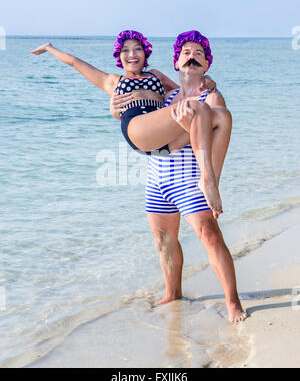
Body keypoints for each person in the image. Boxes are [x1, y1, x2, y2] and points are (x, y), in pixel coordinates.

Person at [111, 31, 247, 324]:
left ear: (207, 65)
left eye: (198, 53)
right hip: (158, 177)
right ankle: (173, 293)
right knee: (164, 241)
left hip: (189, 179)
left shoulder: (210, 95)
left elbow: (220, 121)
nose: (191, 56)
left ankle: (232, 302)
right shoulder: (166, 96)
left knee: (209, 236)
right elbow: (141, 117)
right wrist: (115, 110)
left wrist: (212, 176)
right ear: (176, 63)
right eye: (185, 52)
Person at [29, 30, 222, 218]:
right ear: (118, 56)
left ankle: (206, 182)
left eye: (137, 49)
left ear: (145, 53)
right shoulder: (113, 81)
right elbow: (75, 62)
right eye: (125, 50)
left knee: (218, 119)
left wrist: (207, 79)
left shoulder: (155, 76)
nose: (132, 54)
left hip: (161, 143)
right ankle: (207, 181)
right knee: (200, 110)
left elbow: (186, 87)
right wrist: (49, 48)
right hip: (137, 130)